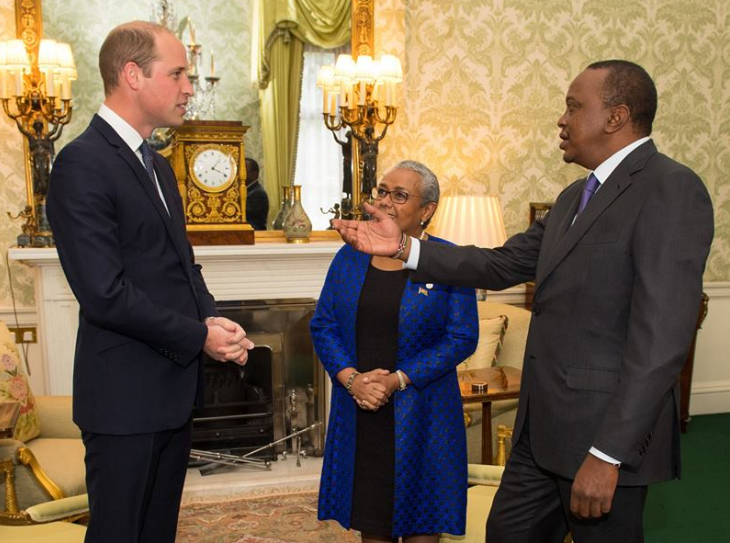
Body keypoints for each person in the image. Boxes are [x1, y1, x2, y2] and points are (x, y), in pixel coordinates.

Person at [333, 60, 714, 542]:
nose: (562, 119)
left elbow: (661, 342)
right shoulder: (578, 195)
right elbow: (498, 264)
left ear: (616, 117)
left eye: (574, 107)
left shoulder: (670, 189)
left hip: (600, 439)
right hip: (542, 433)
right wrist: (404, 249)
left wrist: (607, 455)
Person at [46, 21, 254, 543]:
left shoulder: (158, 167)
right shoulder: (82, 164)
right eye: (178, 73)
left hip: (170, 394)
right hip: (123, 400)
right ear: (132, 75)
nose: (190, 87)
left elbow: (182, 266)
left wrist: (211, 317)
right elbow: (104, 294)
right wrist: (198, 337)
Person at [311, 160, 479, 543]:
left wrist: (397, 380)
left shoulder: (447, 260)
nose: (386, 202)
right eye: (382, 191)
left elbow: (461, 336)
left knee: (423, 525)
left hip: (425, 415)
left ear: (427, 210)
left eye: (400, 195)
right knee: (373, 526)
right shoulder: (350, 256)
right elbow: (323, 325)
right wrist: (352, 380)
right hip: (364, 413)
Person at [245, 157, 269, 230]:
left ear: (254, 174)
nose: (239, 174)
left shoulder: (258, 194)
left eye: (244, 171)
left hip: (255, 236)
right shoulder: (247, 191)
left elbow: (243, 216)